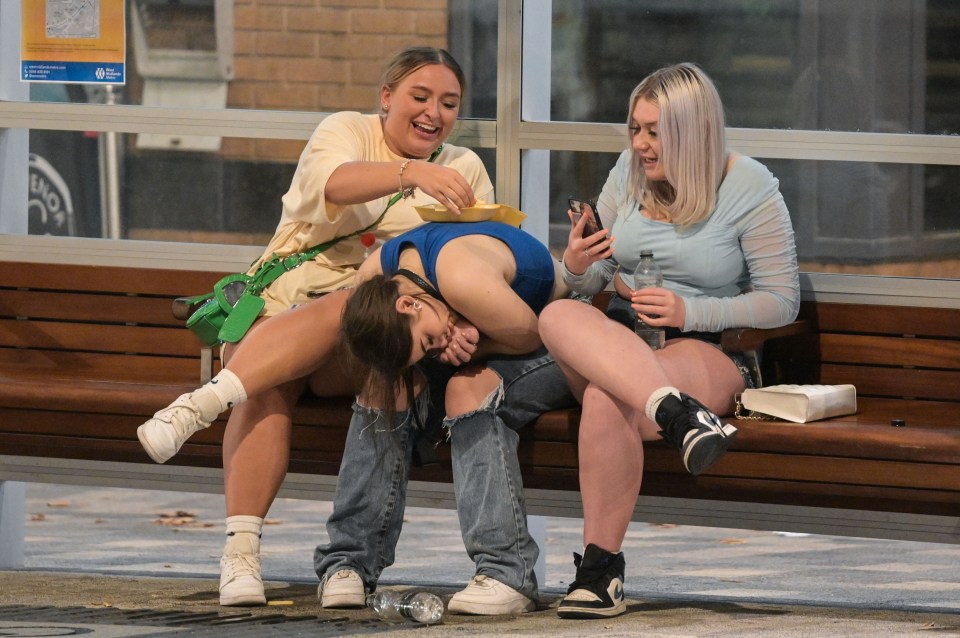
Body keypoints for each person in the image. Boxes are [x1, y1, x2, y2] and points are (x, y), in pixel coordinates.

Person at [135, 47, 498, 607]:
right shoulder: (345, 129)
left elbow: (472, 256)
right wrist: (412, 172)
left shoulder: (465, 168)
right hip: (281, 311)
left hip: (370, 336)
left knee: (369, 327)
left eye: (449, 104)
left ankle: (208, 404)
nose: (434, 113)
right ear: (386, 98)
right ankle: (240, 560)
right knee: (270, 383)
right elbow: (333, 186)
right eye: (420, 97)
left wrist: (460, 321)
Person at [537, 63, 801, 619]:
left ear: (693, 130)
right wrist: (576, 264)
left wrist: (690, 308)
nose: (639, 144)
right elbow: (592, 280)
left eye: (654, 131)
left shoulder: (748, 184)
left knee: (606, 396)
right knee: (557, 315)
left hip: (708, 348)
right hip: (626, 340)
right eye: (635, 129)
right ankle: (675, 414)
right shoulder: (627, 175)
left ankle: (599, 573)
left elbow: (781, 300)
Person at [317, 219, 575, 615]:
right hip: (507, 339)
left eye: (426, 343)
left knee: (464, 390)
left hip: (558, 333)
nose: (433, 348)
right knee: (385, 385)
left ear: (409, 303)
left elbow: (531, 335)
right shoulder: (374, 279)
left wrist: (472, 343)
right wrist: (447, 343)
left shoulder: (461, 278)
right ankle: (348, 562)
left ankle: (507, 573)